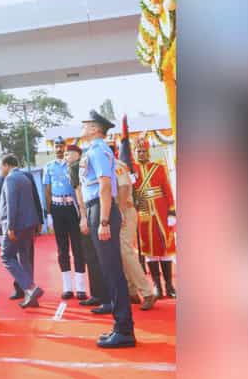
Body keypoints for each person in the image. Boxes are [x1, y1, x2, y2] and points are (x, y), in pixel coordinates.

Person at [80, 110, 136, 348]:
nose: (82, 128)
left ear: (95, 128)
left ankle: (124, 330)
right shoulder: (95, 149)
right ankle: (119, 325)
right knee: (109, 269)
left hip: (100, 209)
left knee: (113, 270)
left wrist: (103, 221)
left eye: (86, 124)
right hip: (96, 208)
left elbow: (104, 185)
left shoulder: (98, 149)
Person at [0, 160, 44, 301]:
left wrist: (10, 227)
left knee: (6, 256)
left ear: (7, 165)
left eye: (1, 166)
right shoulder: (24, 177)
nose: (0, 169)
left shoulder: (11, 178)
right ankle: (30, 296)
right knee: (25, 258)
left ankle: (30, 288)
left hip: (15, 225)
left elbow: (12, 204)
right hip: (28, 225)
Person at [67, 144, 110, 308]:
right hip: (94, 208)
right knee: (92, 256)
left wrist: (83, 217)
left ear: (78, 155)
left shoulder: (77, 167)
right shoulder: (83, 164)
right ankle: (98, 295)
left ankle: (103, 297)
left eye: (68, 154)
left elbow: (79, 193)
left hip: (92, 210)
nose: (66, 157)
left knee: (95, 255)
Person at [45, 137, 88, 299]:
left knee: (78, 247)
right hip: (57, 208)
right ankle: (67, 287)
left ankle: (81, 287)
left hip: (72, 208)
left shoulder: (73, 166)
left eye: (61, 146)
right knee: (62, 249)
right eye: (56, 146)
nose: (59, 149)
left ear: (65, 148)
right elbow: (47, 191)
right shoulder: (48, 167)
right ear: (53, 148)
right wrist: (49, 213)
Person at [133, 141, 176, 298]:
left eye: (144, 151)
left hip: (161, 210)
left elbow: (167, 190)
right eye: (138, 151)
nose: (141, 154)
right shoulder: (132, 171)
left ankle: (169, 286)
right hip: (143, 212)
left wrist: (172, 212)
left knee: (165, 248)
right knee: (149, 249)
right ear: (135, 153)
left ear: (148, 152)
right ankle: (157, 286)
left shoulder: (159, 168)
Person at [116, 155, 158, 310]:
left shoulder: (117, 165)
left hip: (125, 211)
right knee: (121, 253)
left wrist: (119, 211)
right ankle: (131, 290)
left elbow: (125, 188)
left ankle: (147, 292)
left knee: (125, 250)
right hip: (115, 212)